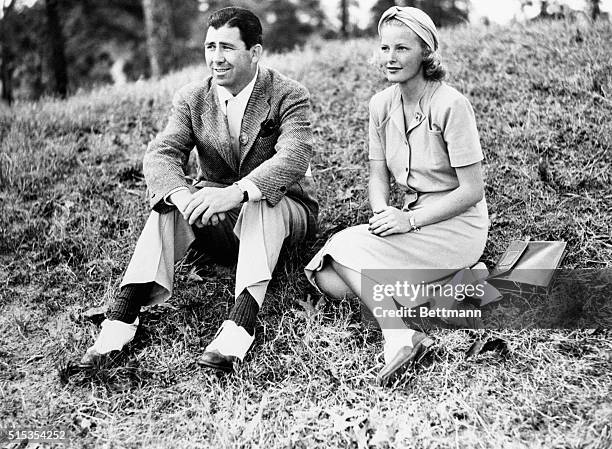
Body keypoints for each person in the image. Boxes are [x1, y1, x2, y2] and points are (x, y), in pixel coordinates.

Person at [79, 6, 318, 373]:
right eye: (210, 47)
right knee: (168, 204)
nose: (216, 59)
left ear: (254, 53)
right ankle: (122, 319)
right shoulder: (193, 97)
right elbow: (162, 153)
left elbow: (293, 157)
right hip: (217, 217)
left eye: (227, 48)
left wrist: (237, 191)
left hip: (284, 215)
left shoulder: (289, 94)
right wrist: (183, 197)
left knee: (261, 202)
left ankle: (241, 325)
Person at [304, 6, 488, 386]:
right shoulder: (380, 105)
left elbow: (472, 191)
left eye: (402, 48)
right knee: (327, 277)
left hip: (456, 224)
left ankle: (398, 334)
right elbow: (377, 176)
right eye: (385, 48)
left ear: (426, 53)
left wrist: (410, 220)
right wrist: (382, 213)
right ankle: (430, 298)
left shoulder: (451, 104)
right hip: (412, 217)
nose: (390, 58)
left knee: (340, 248)